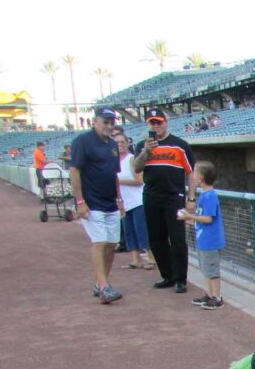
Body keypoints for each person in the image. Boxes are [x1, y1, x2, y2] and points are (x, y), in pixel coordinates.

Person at [133, 107, 196, 294]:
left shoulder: (180, 145)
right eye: (152, 123)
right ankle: (168, 276)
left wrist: (191, 198)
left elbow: (191, 173)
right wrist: (146, 151)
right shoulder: (142, 145)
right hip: (151, 197)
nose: (156, 126)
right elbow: (136, 168)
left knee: (177, 239)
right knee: (156, 239)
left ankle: (180, 279)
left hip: (174, 197)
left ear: (165, 122)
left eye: (158, 122)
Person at [69, 108, 126, 304]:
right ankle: (103, 287)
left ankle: (100, 283)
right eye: (105, 122)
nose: (109, 126)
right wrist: (80, 201)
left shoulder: (112, 144)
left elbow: (114, 174)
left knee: (111, 244)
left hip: (110, 202)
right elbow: (74, 171)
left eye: (111, 123)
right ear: (96, 122)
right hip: (92, 202)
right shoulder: (82, 141)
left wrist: (119, 199)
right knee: (100, 242)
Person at [178, 161, 225, 309]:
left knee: (212, 269)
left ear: (201, 177)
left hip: (210, 240)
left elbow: (209, 218)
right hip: (203, 239)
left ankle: (217, 297)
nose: (193, 175)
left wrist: (190, 216)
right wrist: (190, 219)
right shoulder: (205, 195)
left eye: (195, 172)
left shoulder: (210, 196)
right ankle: (209, 294)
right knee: (206, 268)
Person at [114, 131, 154, 271]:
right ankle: (136, 260)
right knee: (129, 231)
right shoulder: (114, 162)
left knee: (142, 230)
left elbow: (139, 181)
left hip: (137, 201)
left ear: (127, 143)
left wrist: (118, 181)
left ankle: (151, 258)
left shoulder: (131, 159)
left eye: (122, 142)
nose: (120, 145)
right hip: (125, 202)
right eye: (117, 142)